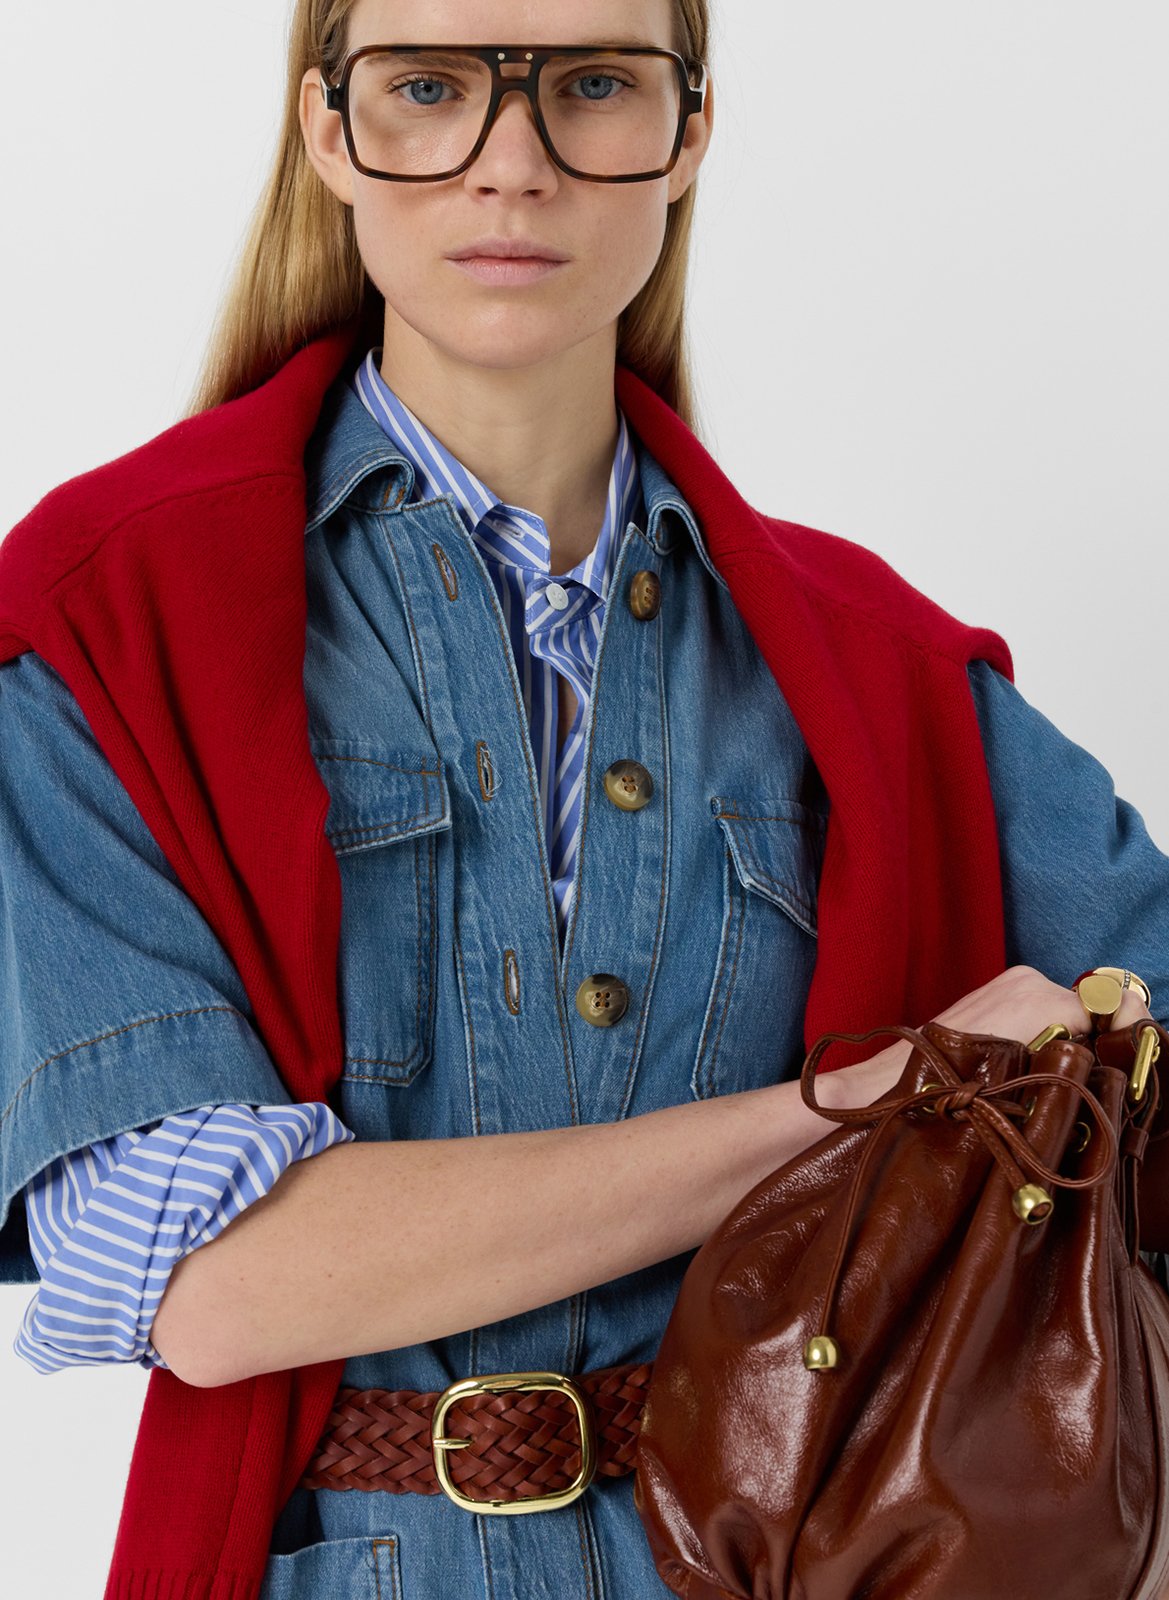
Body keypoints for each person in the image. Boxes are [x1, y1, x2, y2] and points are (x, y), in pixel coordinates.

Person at [0, 0, 1166, 1595]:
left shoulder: (879, 665)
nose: (512, 167)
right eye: (430, 89)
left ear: (686, 131)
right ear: (330, 128)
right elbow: (204, 1277)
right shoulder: (107, 613)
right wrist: (873, 1113)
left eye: (592, 88)